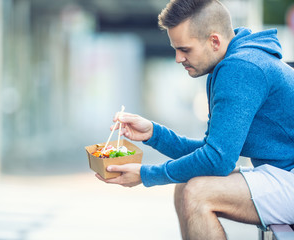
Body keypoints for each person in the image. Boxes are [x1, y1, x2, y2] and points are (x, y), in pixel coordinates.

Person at [95, 0, 294, 239]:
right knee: (186, 186)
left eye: (185, 49)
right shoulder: (234, 62)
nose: (178, 58)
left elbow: (217, 161)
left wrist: (146, 174)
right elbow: (213, 152)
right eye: (175, 49)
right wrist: (153, 134)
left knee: (198, 193)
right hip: (282, 174)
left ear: (214, 41)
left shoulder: (241, 68)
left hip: (288, 176)